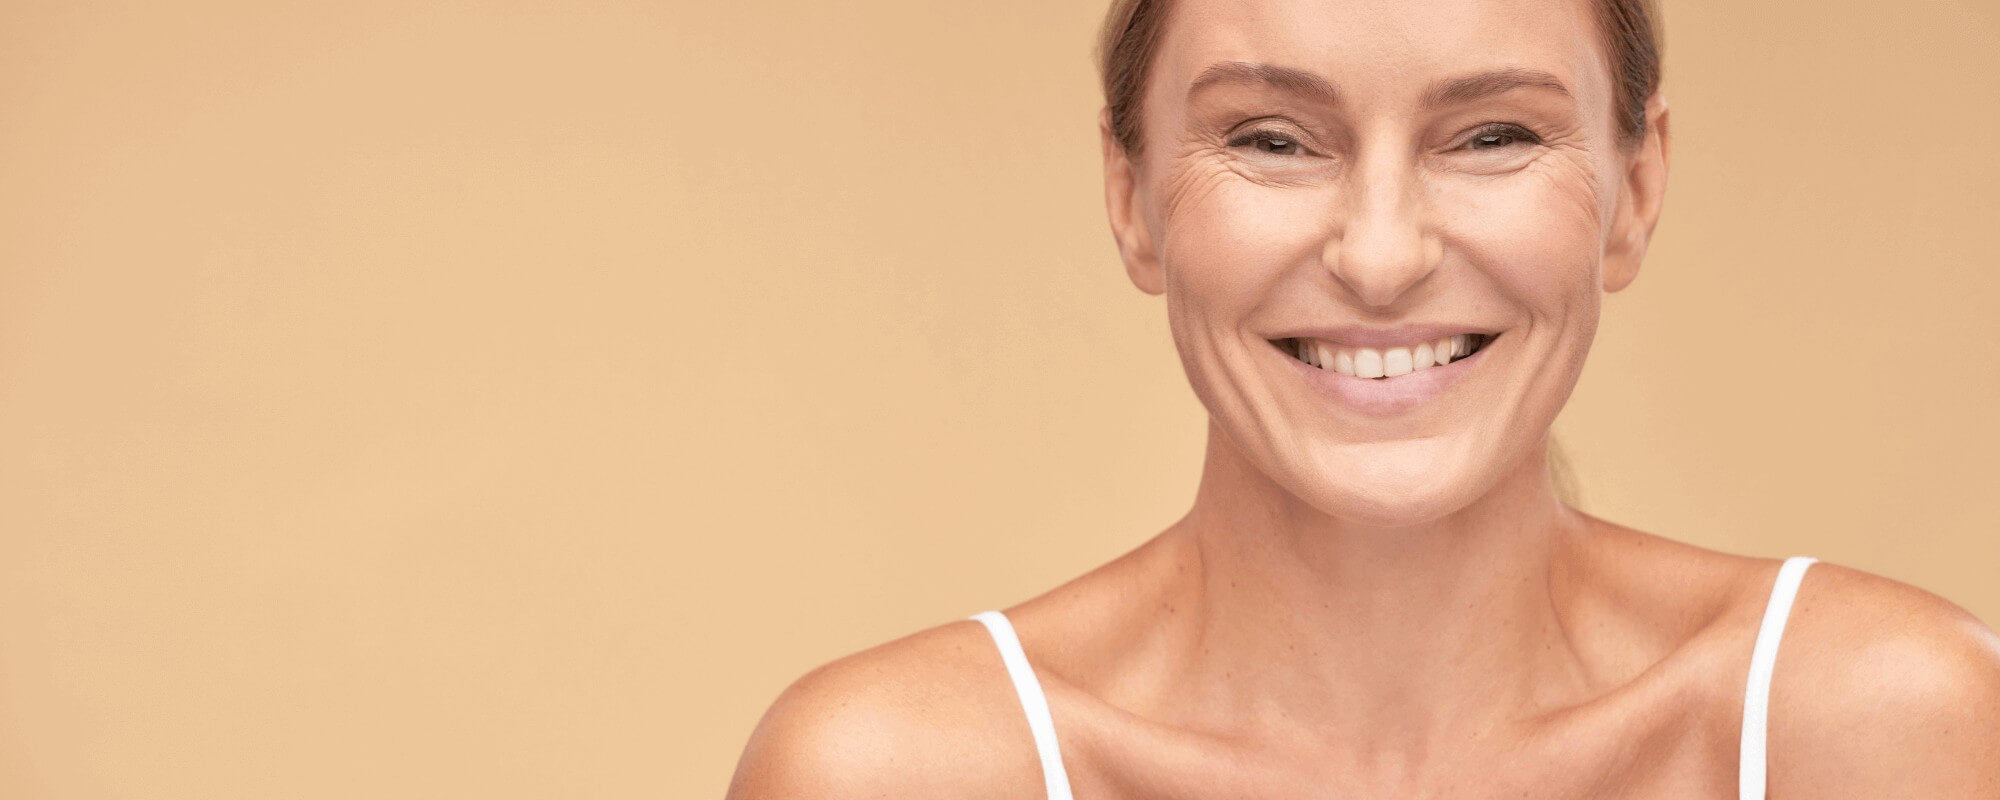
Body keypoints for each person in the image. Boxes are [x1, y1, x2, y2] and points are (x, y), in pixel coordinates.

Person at [725, 0, 2000, 795]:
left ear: (1638, 186)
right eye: (1272, 138)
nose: (1380, 255)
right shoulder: (904, 771)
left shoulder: (1883, 726)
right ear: (1131, 198)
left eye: (1491, 134)